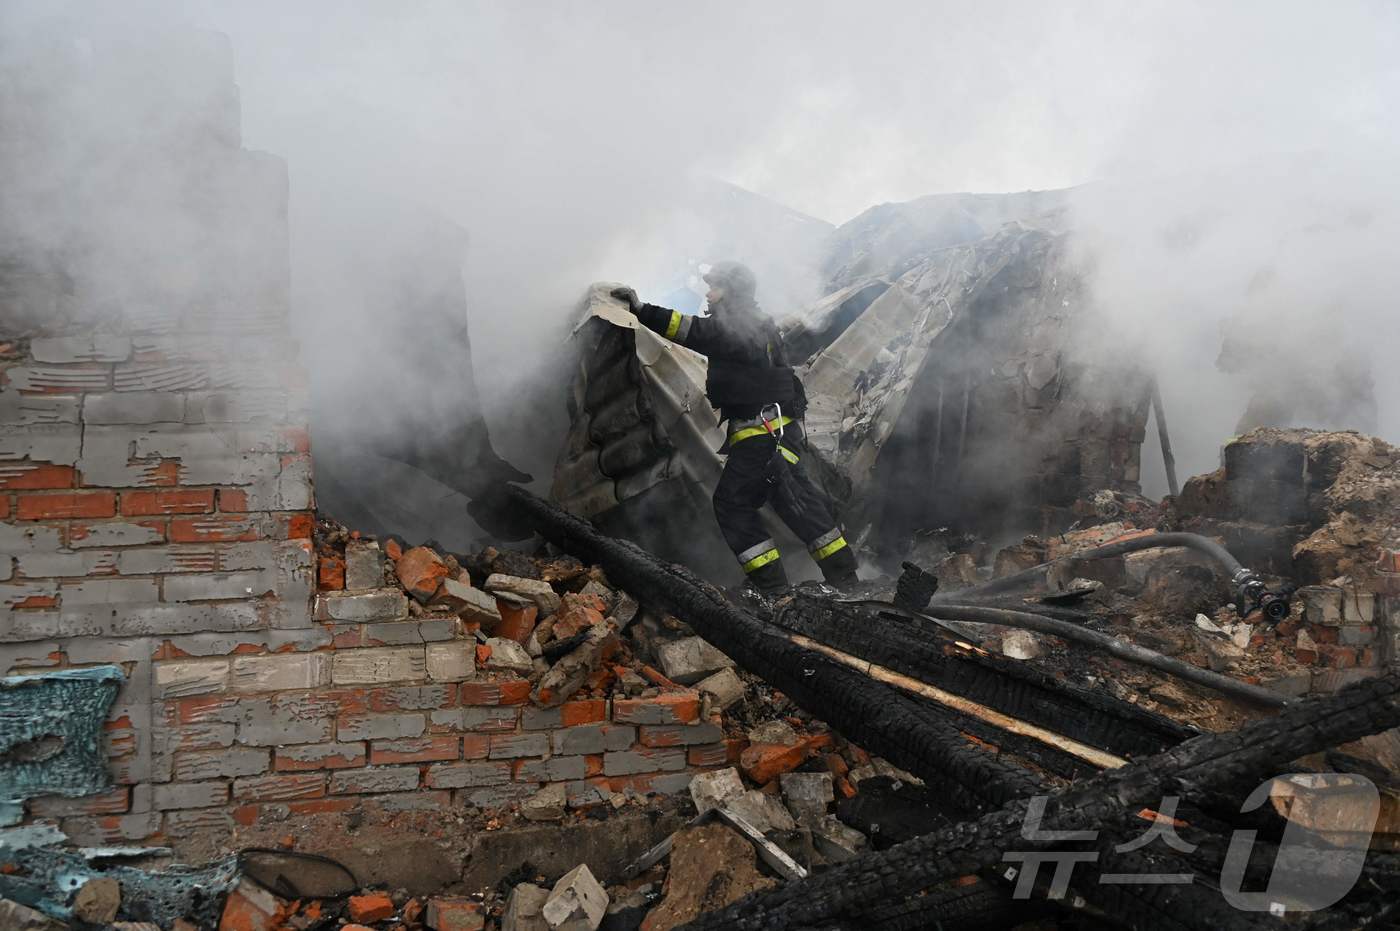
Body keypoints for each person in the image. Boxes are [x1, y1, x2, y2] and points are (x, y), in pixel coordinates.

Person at [611, 262, 859, 594]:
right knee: (797, 504)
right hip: (773, 434)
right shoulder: (757, 325)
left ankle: (774, 590)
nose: (708, 294)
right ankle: (844, 579)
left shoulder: (743, 326)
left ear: (733, 291)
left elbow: (695, 332)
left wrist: (642, 310)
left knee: (733, 504)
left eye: (715, 287)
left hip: (763, 436)